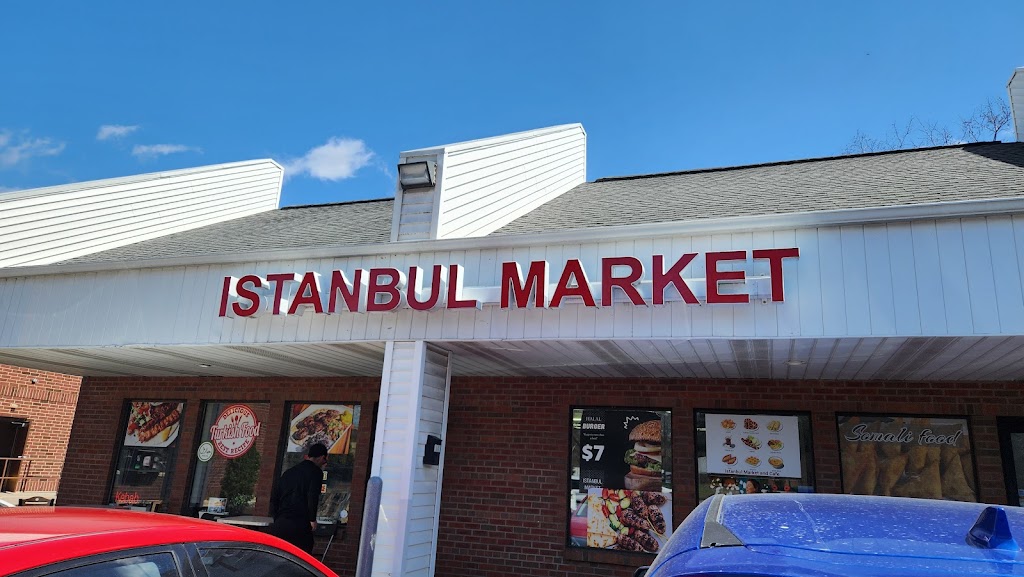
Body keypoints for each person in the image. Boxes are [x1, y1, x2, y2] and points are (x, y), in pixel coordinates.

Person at [269, 443, 328, 553]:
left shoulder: (289, 472)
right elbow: (312, 495)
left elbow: (275, 496)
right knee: (302, 556)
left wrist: (276, 517)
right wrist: (312, 519)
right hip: (300, 523)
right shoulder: (316, 472)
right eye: (325, 459)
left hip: (281, 523)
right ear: (320, 457)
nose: (325, 463)